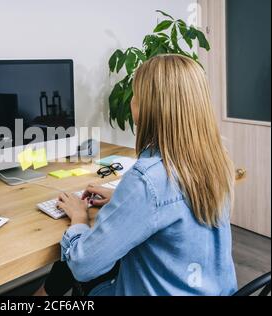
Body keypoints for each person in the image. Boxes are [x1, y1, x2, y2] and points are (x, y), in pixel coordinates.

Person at [34, 54, 238, 296]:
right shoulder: (215, 161)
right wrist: (122, 200)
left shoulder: (147, 180)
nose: (131, 101)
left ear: (148, 108)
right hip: (211, 290)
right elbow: (172, 208)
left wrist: (79, 217)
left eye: (135, 95)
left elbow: (84, 265)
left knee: (71, 263)